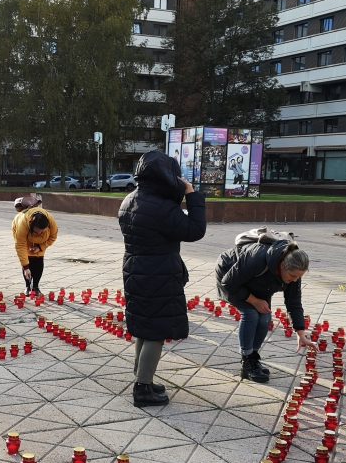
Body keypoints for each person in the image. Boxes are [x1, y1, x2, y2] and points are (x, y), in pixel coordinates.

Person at [118, 150, 206, 408]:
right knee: (155, 330)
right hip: (158, 271)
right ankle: (143, 389)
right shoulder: (161, 207)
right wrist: (192, 196)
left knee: (144, 326)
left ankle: (141, 378)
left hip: (135, 267)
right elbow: (195, 230)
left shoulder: (130, 199)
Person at [216, 232, 316, 382]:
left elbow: (293, 302)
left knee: (265, 318)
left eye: (298, 277)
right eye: (292, 276)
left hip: (259, 284)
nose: (294, 280)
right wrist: (254, 300)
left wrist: (300, 332)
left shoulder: (294, 269)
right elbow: (228, 283)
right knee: (251, 314)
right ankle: (247, 362)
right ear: (282, 266)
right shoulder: (257, 259)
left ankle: (253, 358)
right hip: (230, 275)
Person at [12, 206, 57, 296]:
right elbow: (20, 245)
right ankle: (28, 286)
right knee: (27, 258)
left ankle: (35, 286)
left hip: (42, 241)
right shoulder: (22, 223)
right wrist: (25, 267)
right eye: (37, 232)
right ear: (31, 226)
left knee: (38, 259)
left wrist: (40, 247)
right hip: (24, 237)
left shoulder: (51, 221)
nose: (39, 233)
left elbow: (53, 237)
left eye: (42, 231)